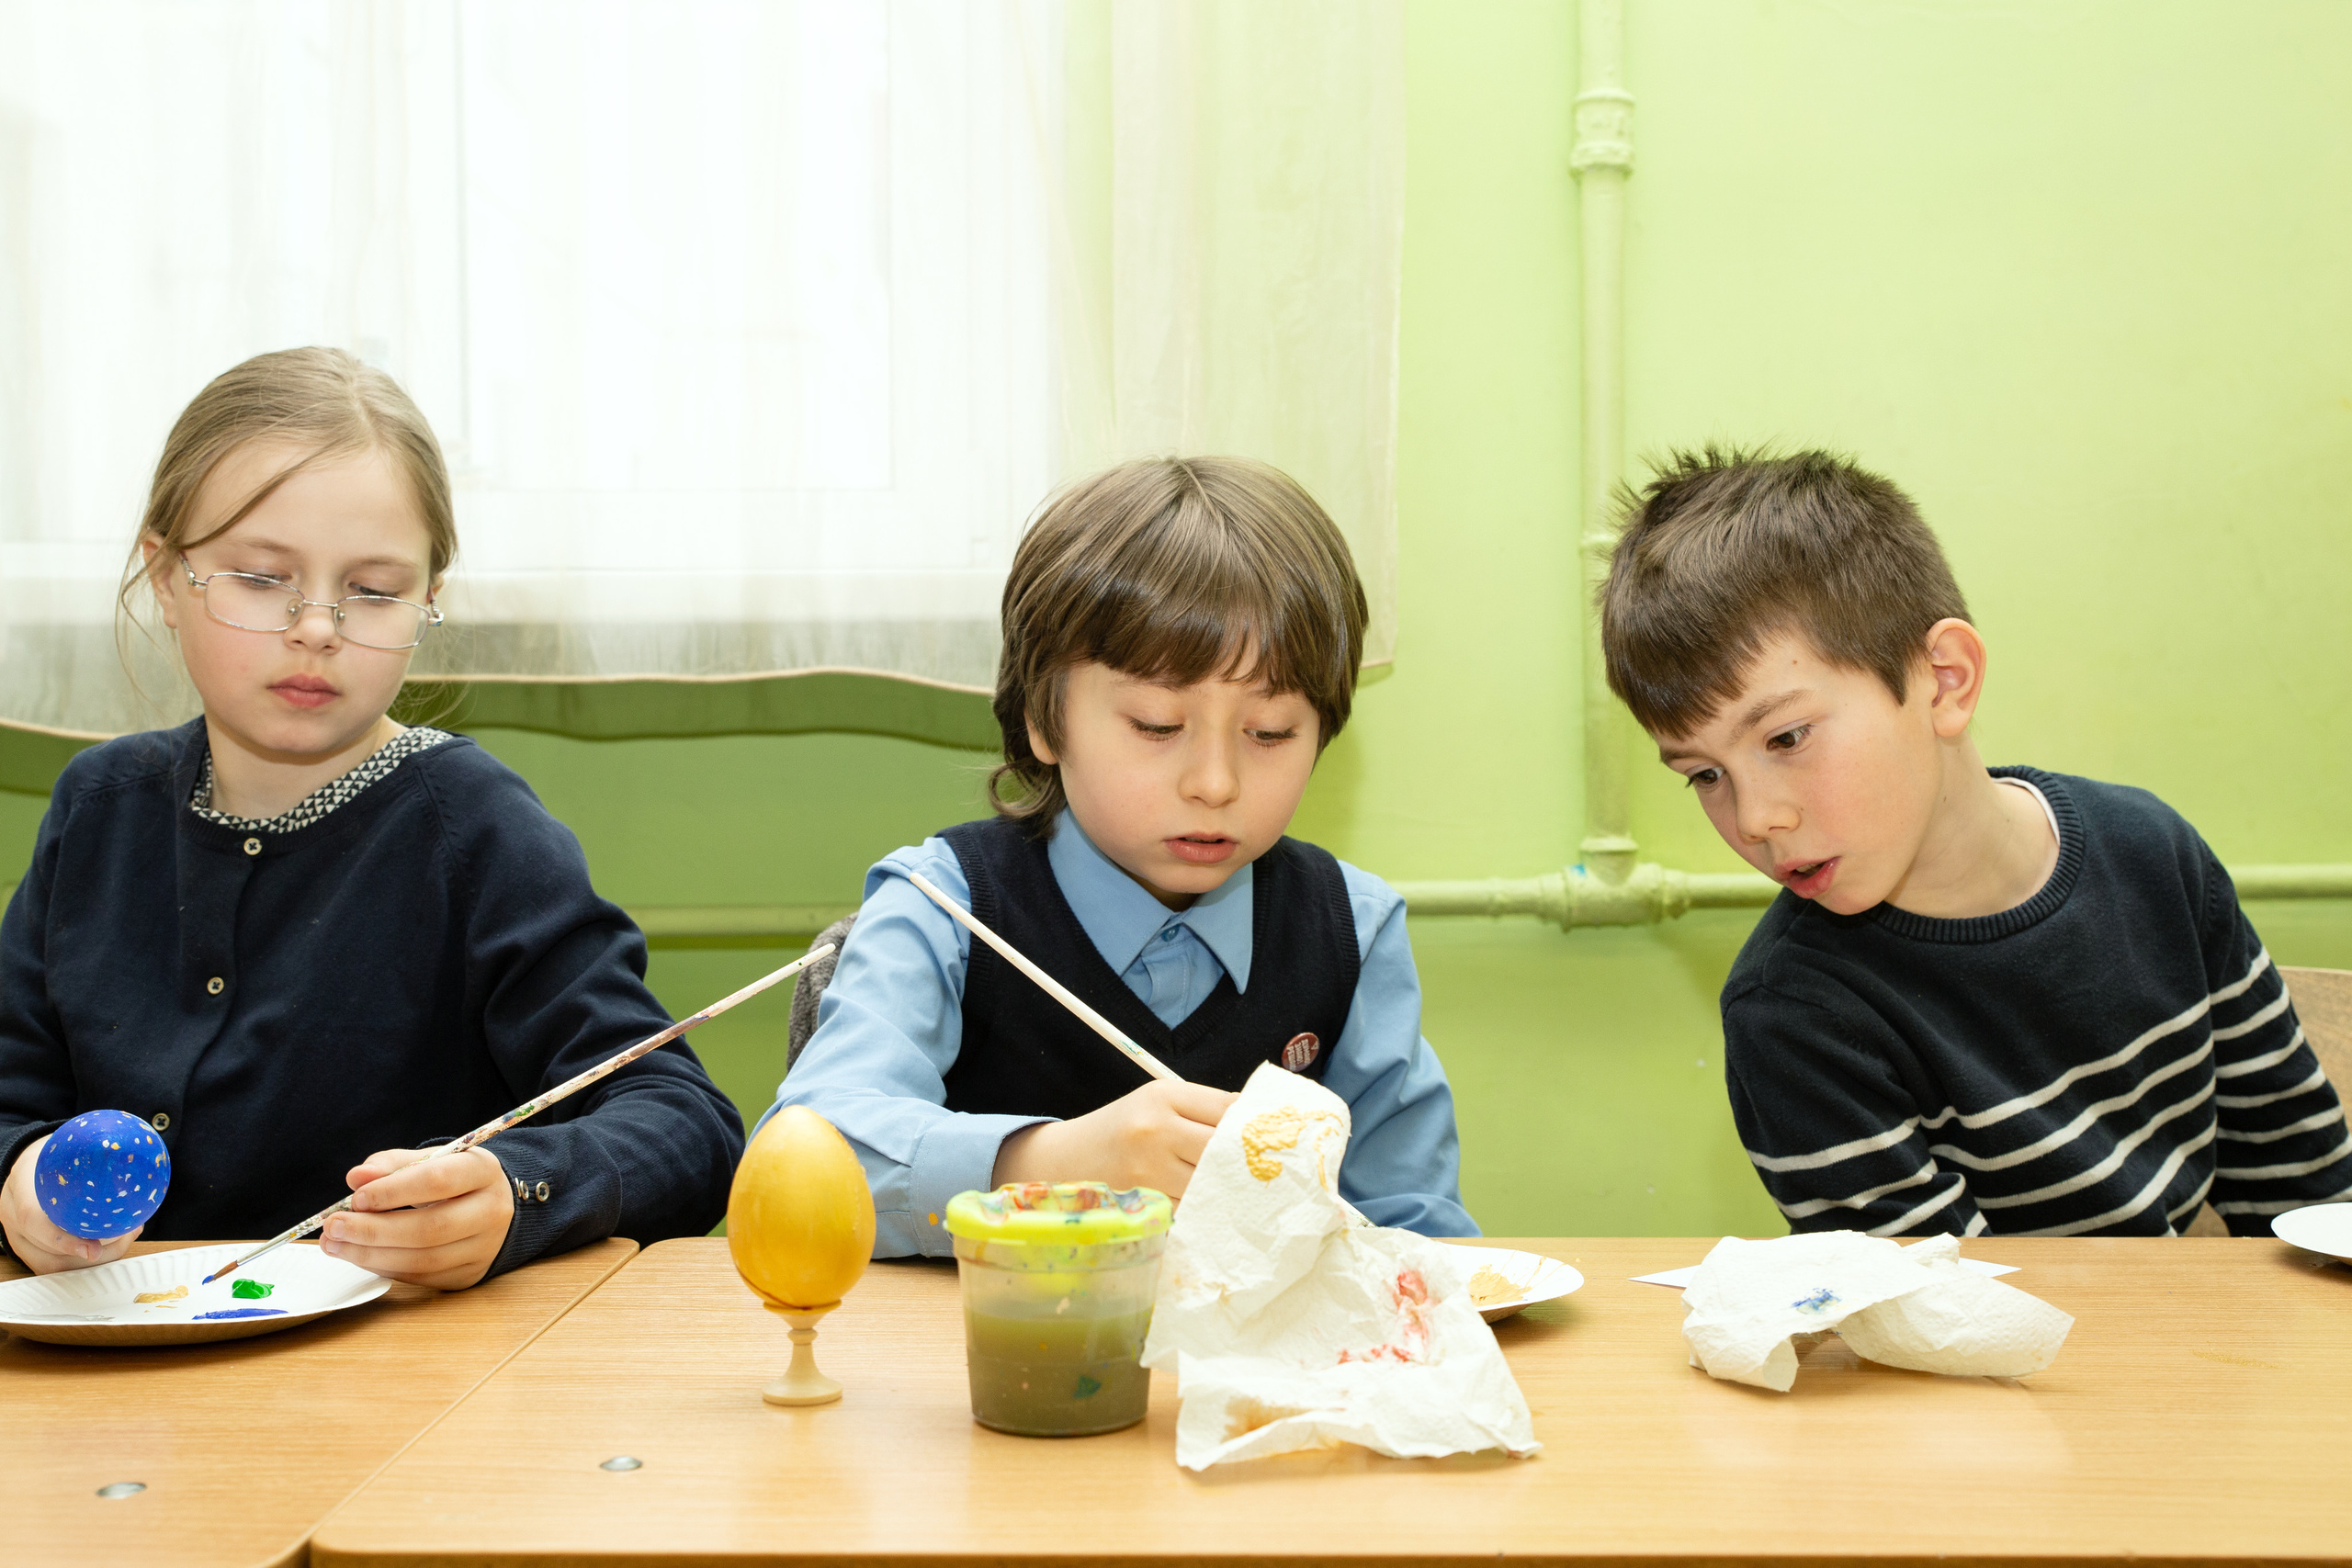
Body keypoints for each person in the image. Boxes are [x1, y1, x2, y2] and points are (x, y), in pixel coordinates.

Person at [0, 347, 743, 1286]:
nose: (318, 626)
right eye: (262, 578)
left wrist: (515, 1193)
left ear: (429, 601)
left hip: (394, 1393)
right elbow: (10, 1099)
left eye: (375, 591)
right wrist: (17, 1181)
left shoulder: (475, 829)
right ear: (164, 575)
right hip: (105, 1388)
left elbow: (685, 1122)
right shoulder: (96, 810)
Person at [1598, 447, 2348, 1236]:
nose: (1754, 819)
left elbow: (2311, 1201)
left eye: (1785, 737)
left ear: (1946, 680)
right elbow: (1949, 1324)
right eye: (1705, 775)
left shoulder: (2156, 854)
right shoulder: (1793, 1014)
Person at [770, 456, 1472, 1257]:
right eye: (1156, 724)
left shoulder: (1354, 926)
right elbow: (808, 1158)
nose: (1215, 783)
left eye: (1271, 732)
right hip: (984, 1365)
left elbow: (1418, 1230)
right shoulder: (942, 908)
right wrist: (1048, 1163)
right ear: (1044, 718)